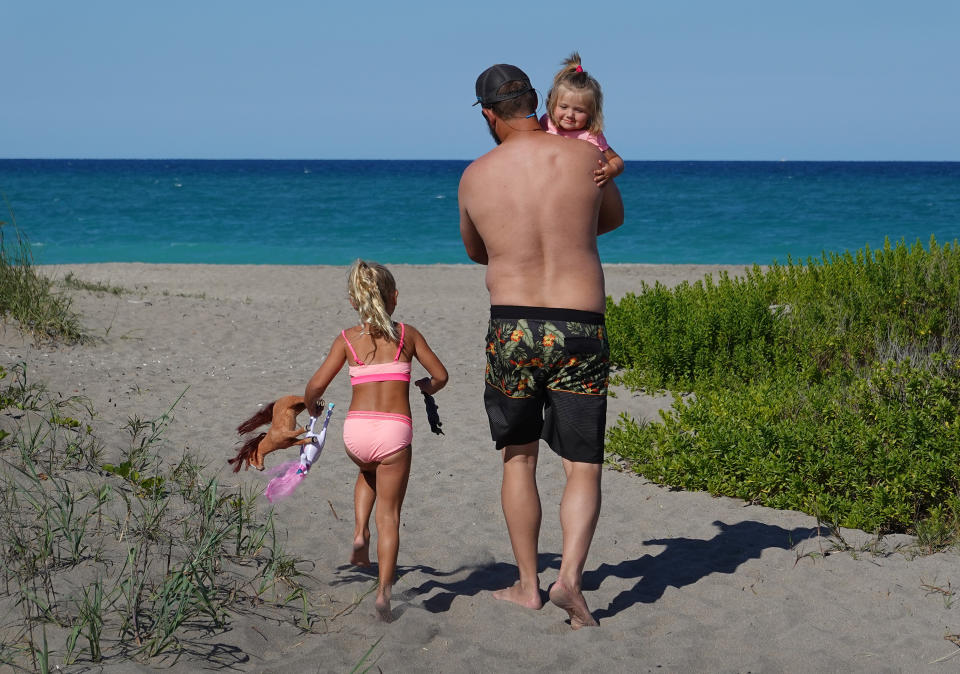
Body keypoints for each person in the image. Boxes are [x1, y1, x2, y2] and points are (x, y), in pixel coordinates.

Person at [459, 63, 624, 629]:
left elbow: (478, 251)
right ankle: (570, 581)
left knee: (519, 458)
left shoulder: (475, 175)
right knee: (583, 467)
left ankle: (528, 585)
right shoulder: (588, 159)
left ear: (488, 114)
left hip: (512, 329)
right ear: (538, 103)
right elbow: (613, 218)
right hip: (580, 327)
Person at [304, 259, 448, 622]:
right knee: (391, 515)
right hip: (394, 431)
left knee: (367, 470)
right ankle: (384, 593)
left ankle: (357, 534)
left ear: (354, 301)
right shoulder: (407, 335)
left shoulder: (347, 339)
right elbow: (441, 375)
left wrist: (313, 406)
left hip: (356, 431)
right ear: (394, 297)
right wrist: (427, 387)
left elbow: (316, 385)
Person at [540, 52, 624, 187]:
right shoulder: (546, 122)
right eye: (563, 107)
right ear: (552, 104)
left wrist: (611, 170)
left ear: (591, 113)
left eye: (579, 110)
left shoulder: (590, 135)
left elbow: (616, 160)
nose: (570, 114)